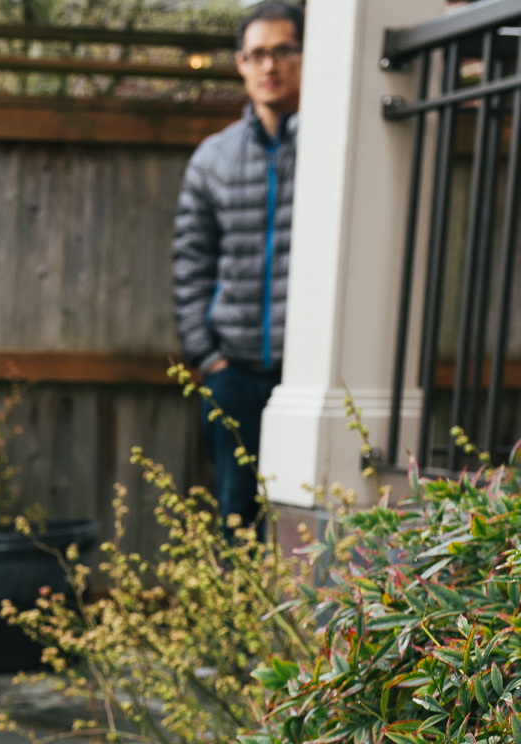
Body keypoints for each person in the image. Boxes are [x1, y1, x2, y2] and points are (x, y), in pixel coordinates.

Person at [172, 0, 305, 538]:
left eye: (282, 51)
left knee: (310, 527)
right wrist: (207, 356)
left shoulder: (335, 150)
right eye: (257, 54)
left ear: (305, 56)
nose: (269, 65)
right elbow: (190, 263)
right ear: (241, 64)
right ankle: (237, 624)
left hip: (309, 375)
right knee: (237, 518)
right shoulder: (214, 158)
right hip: (235, 374)